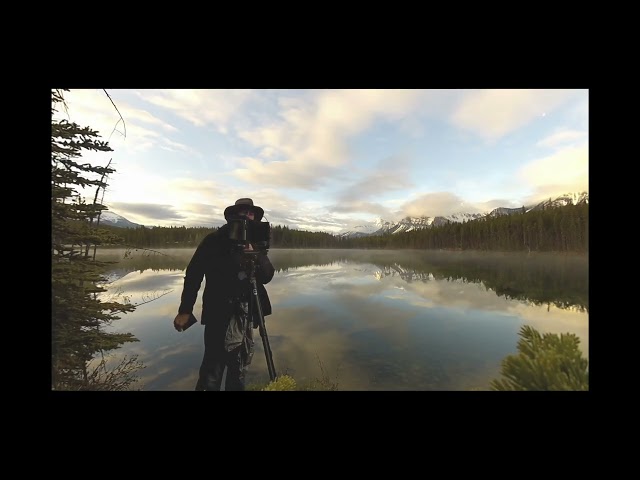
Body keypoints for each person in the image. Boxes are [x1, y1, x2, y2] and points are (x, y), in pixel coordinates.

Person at [173, 198, 275, 391]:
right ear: (232, 217)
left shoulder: (256, 243)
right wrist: (185, 310)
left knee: (239, 366)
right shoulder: (214, 240)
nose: (247, 217)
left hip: (246, 312)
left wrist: (256, 255)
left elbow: (267, 276)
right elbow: (193, 274)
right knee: (213, 367)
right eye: (242, 213)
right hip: (217, 312)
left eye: (250, 213)